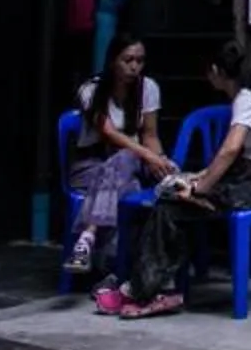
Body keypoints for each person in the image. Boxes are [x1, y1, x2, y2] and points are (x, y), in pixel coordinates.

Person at [106, 41, 251, 319]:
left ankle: (143, 291)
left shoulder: (246, 99)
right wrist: (200, 178)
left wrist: (200, 189)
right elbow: (237, 156)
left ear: (216, 71)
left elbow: (230, 149)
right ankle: (154, 285)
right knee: (175, 197)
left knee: (171, 206)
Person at [65, 37, 174, 278]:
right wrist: (146, 155)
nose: (134, 67)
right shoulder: (90, 90)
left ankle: (88, 239)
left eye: (140, 61)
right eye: (128, 60)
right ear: (114, 61)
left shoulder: (148, 88)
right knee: (129, 182)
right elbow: (109, 133)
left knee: (169, 177)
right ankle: (119, 271)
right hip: (90, 167)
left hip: (134, 162)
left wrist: (160, 161)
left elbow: (150, 135)